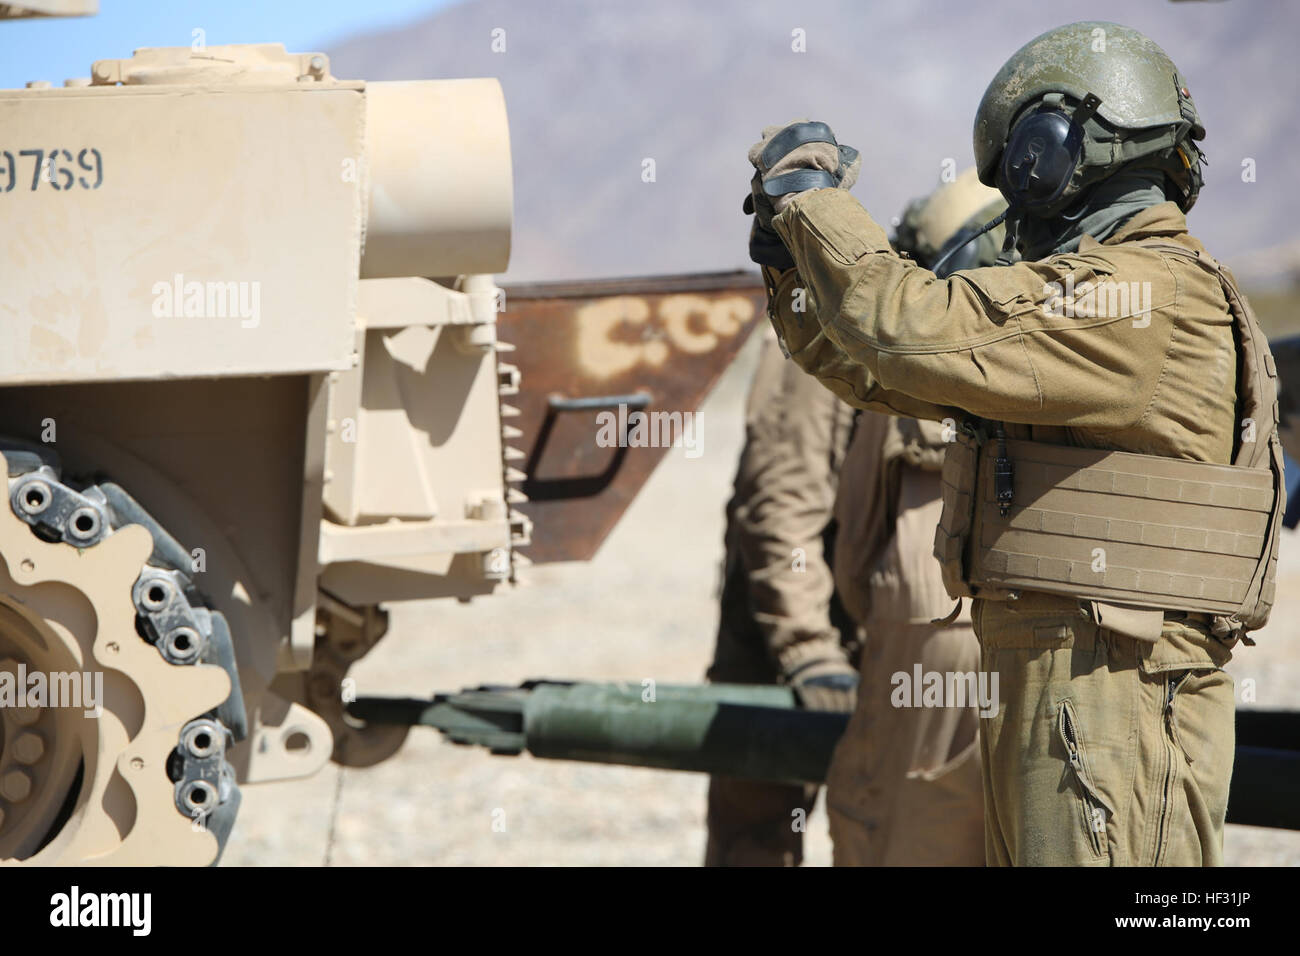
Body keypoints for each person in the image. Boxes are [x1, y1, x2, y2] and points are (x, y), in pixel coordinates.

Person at [744, 21, 1285, 866]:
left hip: (1111, 693)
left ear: (1051, 148)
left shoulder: (1138, 297)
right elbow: (886, 375)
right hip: (1074, 680)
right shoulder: (1128, 297)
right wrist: (793, 268)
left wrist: (813, 201)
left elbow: (906, 327)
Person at [706, 170, 1002, 866]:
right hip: (786, 617)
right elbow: (781, 504)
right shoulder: (840, 327)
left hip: (877, 624)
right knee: (759, 830)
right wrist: (808, 650)